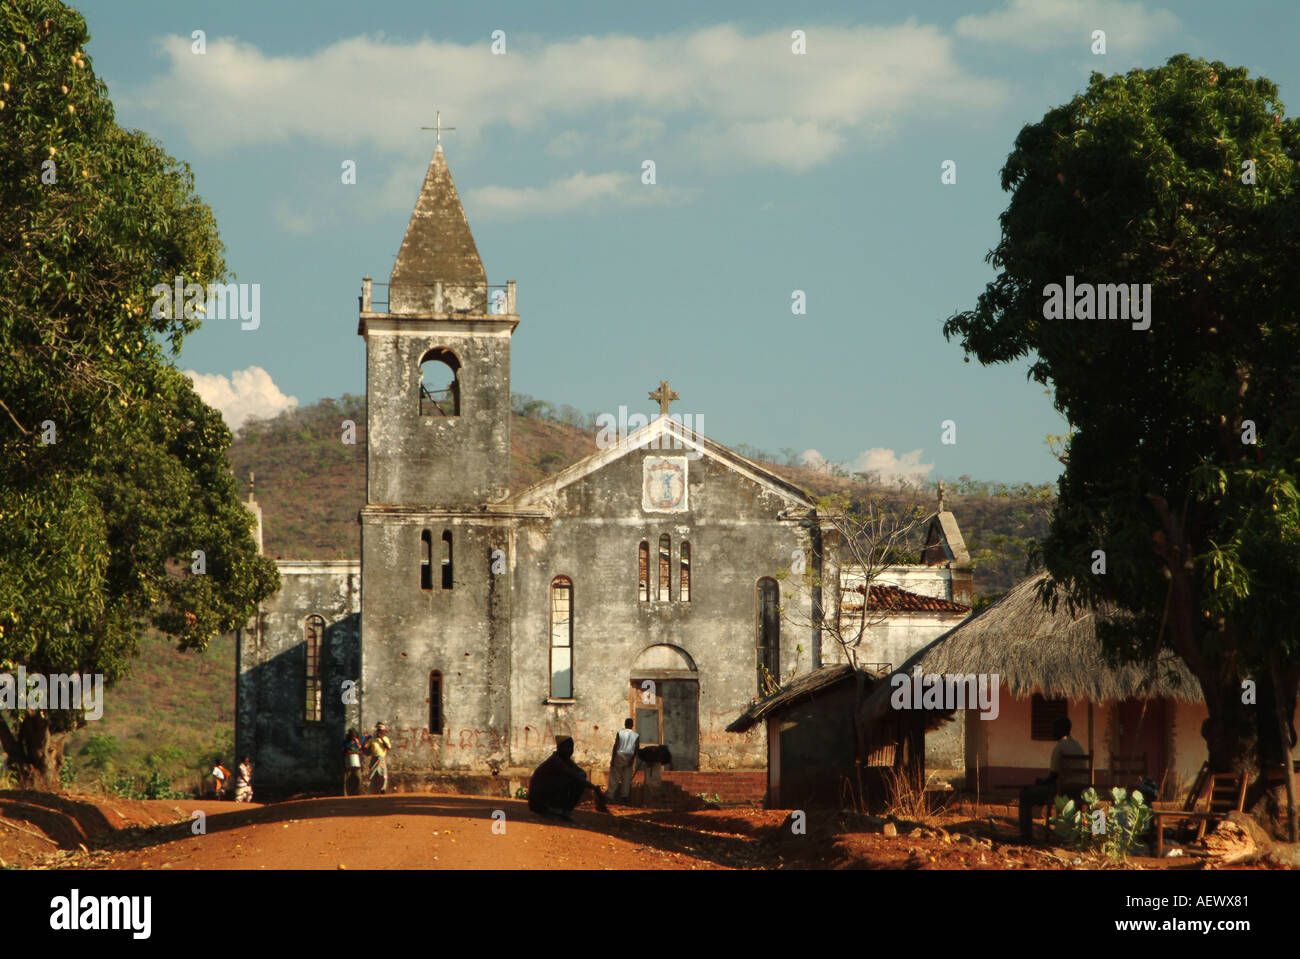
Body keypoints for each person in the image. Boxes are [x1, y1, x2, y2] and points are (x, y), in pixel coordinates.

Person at [1018, 716, 1085, 841]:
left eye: (1054, 729)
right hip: (1078, 790)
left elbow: (1054, 775)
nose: (1052, 732)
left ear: (1060, 730)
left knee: (1025, 795)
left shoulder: (1060, 747)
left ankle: (1026, 836)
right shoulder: (1078, 745)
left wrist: (1041, 782)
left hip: (1062, 790)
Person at [528, 736, 608, 820]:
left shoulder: (565, 760)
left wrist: (594, 788)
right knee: (572, 780)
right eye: (567, 747)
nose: (570, 750)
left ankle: (564, 811)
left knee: (580, 776)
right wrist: (595, 789)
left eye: (571, 747)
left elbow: (580, 773)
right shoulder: (556, 761)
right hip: (538, 802)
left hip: (545, 798)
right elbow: (575, 776)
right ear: (559, 748)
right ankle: (555, 810)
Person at [607, 718, 640, 805]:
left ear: (625, 724)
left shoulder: (620, 732)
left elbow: (616, 745)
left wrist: (612, 759)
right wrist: (632, 760)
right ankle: (624, 798)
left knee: (614, 776)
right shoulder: (636, 735)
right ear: (632, 725)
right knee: (626, 778)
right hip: (629, 756)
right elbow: (636, 749)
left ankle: (610, 796)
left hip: (619, 755)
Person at [366, 722, 392, 794]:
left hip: (382, 759)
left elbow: (388, 748)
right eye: (378, 730)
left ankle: (383, 789)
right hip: (374, 758)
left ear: (383, 731)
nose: (379, 732)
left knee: (383, 775)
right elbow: (365, 748)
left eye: (381, 730)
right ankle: (372, 791)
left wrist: (381, 738)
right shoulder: (372, 739)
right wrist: (366, 738)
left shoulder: (385, 739)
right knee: (372, 775)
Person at [342, 728, 364, 796]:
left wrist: (358, 752)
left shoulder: (356, 741)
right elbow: (342, 751)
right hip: (348, 761)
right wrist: (348, 752)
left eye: (354, 736)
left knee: (358, 778)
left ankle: (356, 792)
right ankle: (346, 793)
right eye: (352, 736)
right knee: (347, 779)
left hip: (356, 762)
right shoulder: (345, 742)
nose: (353, 737)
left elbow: (361, 750)